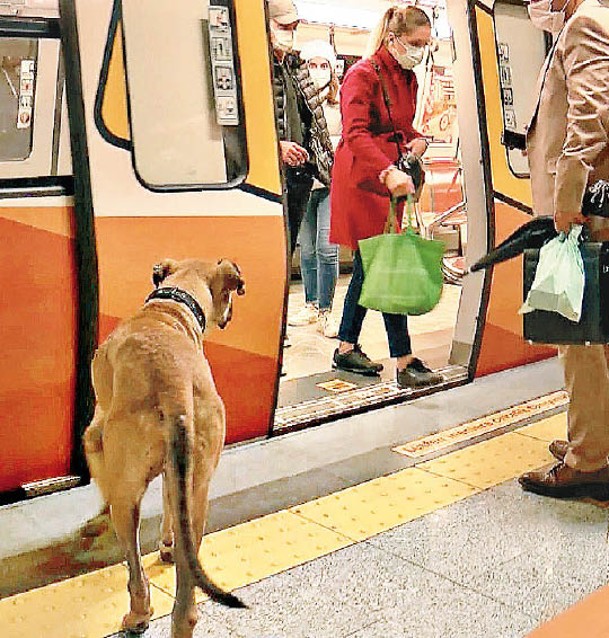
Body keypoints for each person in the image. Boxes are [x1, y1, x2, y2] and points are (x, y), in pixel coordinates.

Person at [519, 0, 609, 498]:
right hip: (588, 205)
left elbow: (592, 114)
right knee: (594, 330)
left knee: (579, 332)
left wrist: (566, 198)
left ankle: (589, 459)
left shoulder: (587, 23)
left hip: (582, 209)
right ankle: (594, 437)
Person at [329, 5, 443, 388]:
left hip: (387, 180)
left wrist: (415, 140)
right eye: (414, 43)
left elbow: (398, 124)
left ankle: (345, 347)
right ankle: (404, 358)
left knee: (371, 264)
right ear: (393, 39)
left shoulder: (406, 76)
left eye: (425, 45)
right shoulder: (362, 75)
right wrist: (387, 169)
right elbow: (355, 133)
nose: (419, 52)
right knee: (385, 261)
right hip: (364, 181)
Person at [267, 0, 334, 259]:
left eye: (293, 28)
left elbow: (313, 120)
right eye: (282, 26)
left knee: (290, 247)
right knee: (278, 250)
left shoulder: (293, 66)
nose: (288, 34)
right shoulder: (254, 67)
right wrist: (276, 146)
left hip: (299, 176)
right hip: (271, 177)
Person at [288, 40, 341, 338]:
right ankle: (310, 304)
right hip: (305, 181)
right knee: (306, 249)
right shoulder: (297, 101)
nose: (319, 70)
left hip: (332, 182)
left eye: (324, 65)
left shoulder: (339, 100)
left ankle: (327, 310)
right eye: (312, 64)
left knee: (327, 248)